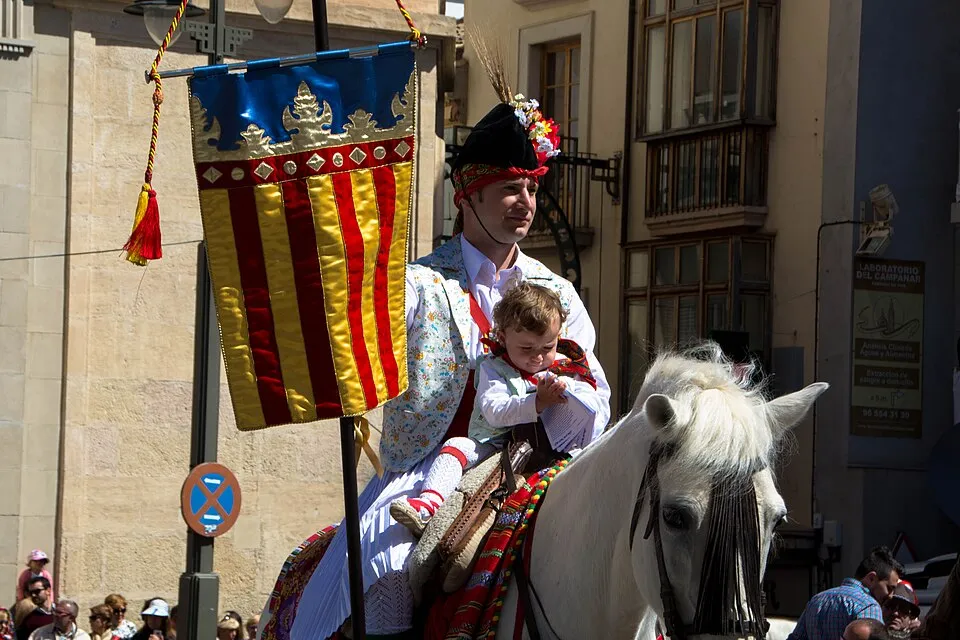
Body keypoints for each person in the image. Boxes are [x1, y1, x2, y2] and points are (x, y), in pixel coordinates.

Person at [286, 83, 609, 638]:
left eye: (531, 189)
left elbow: (592, 385)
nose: (526, 203)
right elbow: (359, 340)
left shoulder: (557, 292)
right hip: (429, 465)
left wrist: (567, 398)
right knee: (387, 567)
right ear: (467, 196)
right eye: (509, 189)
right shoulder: (418, 284)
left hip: (537, 462)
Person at [390, 281, 606, 534]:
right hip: (494, 445)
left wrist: (575, 396)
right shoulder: (493, 368)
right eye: (526, 348)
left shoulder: (568, 366)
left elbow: (592, 403)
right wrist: (536, 402)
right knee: (455, 447)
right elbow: (494, 409)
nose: (538, 357)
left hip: (553, 450)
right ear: (503, 337)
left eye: (548, 347)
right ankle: (428, 504)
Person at [788, 546, 903, 640]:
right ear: (871, 578)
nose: (891, 595)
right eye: (889, 588)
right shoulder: (869, 606)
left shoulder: (816, 599)